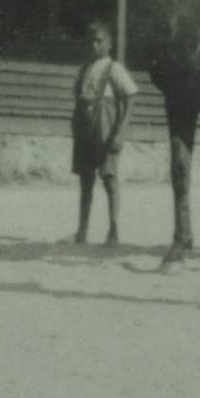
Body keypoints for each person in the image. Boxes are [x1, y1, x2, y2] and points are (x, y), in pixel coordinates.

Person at [71, 20, 137, 245]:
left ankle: (113, 230)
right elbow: (79, 101)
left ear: (109, 43)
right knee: (85, 180)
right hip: (85, 130)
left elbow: (130, 99)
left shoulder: (114, 68)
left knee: (109, 178)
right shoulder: (83, 70)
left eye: (99, 40)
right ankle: (82, 231)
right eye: (90, 40)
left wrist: (120, 132)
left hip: (105, 129)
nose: (94, 45)